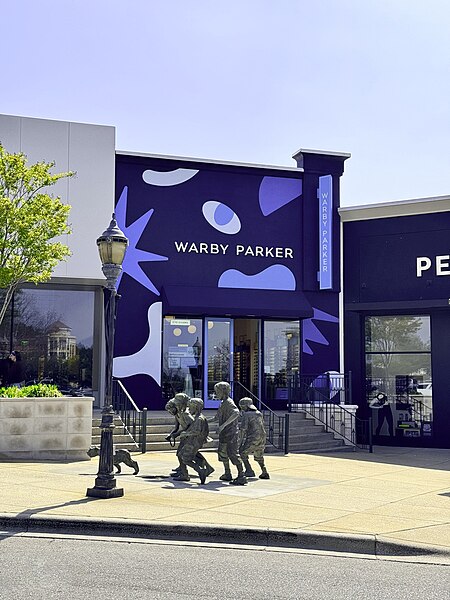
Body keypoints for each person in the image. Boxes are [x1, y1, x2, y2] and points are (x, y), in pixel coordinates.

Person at [210, 381, 247, 485]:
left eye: (217, 392)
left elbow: (236, 413)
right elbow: (216, 417)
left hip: (231, 433)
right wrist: (204, 421)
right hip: (224, 433)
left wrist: (223, 425)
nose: (216, 394)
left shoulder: (229, 402)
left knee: (233, 454)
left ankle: (241, 475)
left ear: (223, 391)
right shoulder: (222, 403)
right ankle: (227, 473)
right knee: (222, 453)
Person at [176, 398, 215, 484]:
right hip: (193, 441)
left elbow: (196, 431)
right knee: (181, 455)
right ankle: (202, 469)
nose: (189, 409)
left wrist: (185, 434)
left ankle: (200, 470)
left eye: (191, 407)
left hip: (194, 442)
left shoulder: (199, 419)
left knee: (185, 458)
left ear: (196, 407)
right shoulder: (198, 418)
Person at [238, 397, 270, 479]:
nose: (241, 408)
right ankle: (264, 471)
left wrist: (240, 443)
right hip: (262, 437)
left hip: (253, 437)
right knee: (259, 455)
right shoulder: (259, 413)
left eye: (242, 406)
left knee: (242, 452)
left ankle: (249, 470)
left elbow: (243, 429)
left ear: (246, 406)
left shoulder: (246, 414)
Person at [165, 393, 193, 476]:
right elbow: (176, 427)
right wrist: (170, 435)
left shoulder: (186, 414)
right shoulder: (177, 414)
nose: (170, 412)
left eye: (171, 410)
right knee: (179, 453)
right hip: (185, 435)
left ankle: (184, 472)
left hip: (191, 435)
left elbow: (191, 426)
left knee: (182, 454)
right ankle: (182, 469)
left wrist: (177, 434)